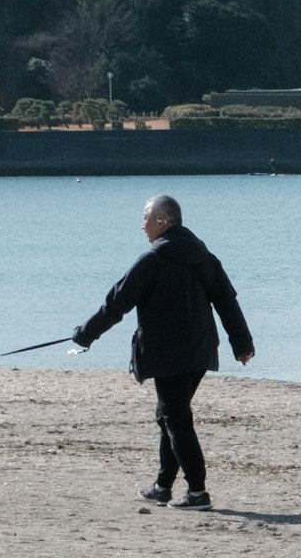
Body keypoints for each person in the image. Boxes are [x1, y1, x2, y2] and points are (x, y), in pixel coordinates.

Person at [73, 194, 254, 507]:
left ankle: (197, 491)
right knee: (169, 415)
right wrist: (242, 344)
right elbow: (227, 302)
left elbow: (116, 303)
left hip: (170, 352)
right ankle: (162, 485)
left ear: (163, 220)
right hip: (199, 351)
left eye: (146, 217)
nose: (142, 225)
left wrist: (85, 335)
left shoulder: (153, 260)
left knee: (176, 418)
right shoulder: (204, 257)